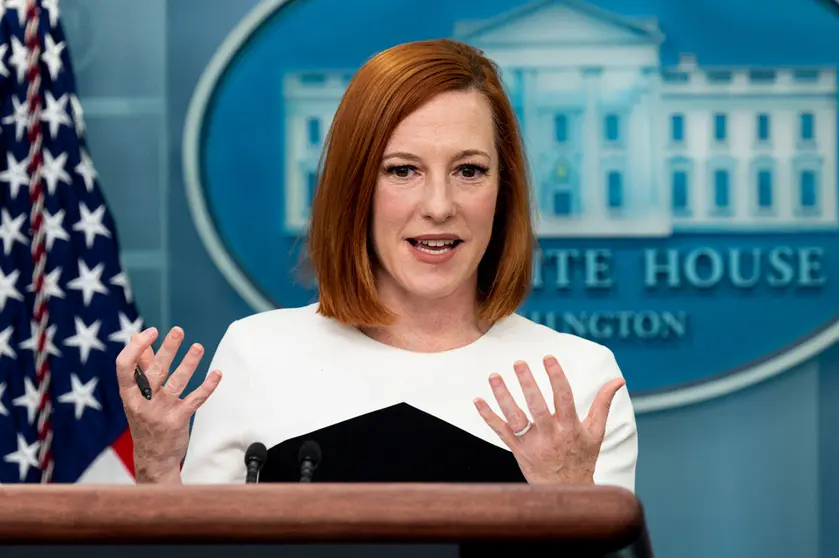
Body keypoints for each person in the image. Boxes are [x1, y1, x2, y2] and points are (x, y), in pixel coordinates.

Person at [116, 38, 638, 491]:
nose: (438, 205)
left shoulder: (577, 379)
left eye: (469, 170)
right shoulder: (258, 355)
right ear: (355, 190)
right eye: (403, 170)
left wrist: (568, 497)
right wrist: (158, 469)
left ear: (504, 192)